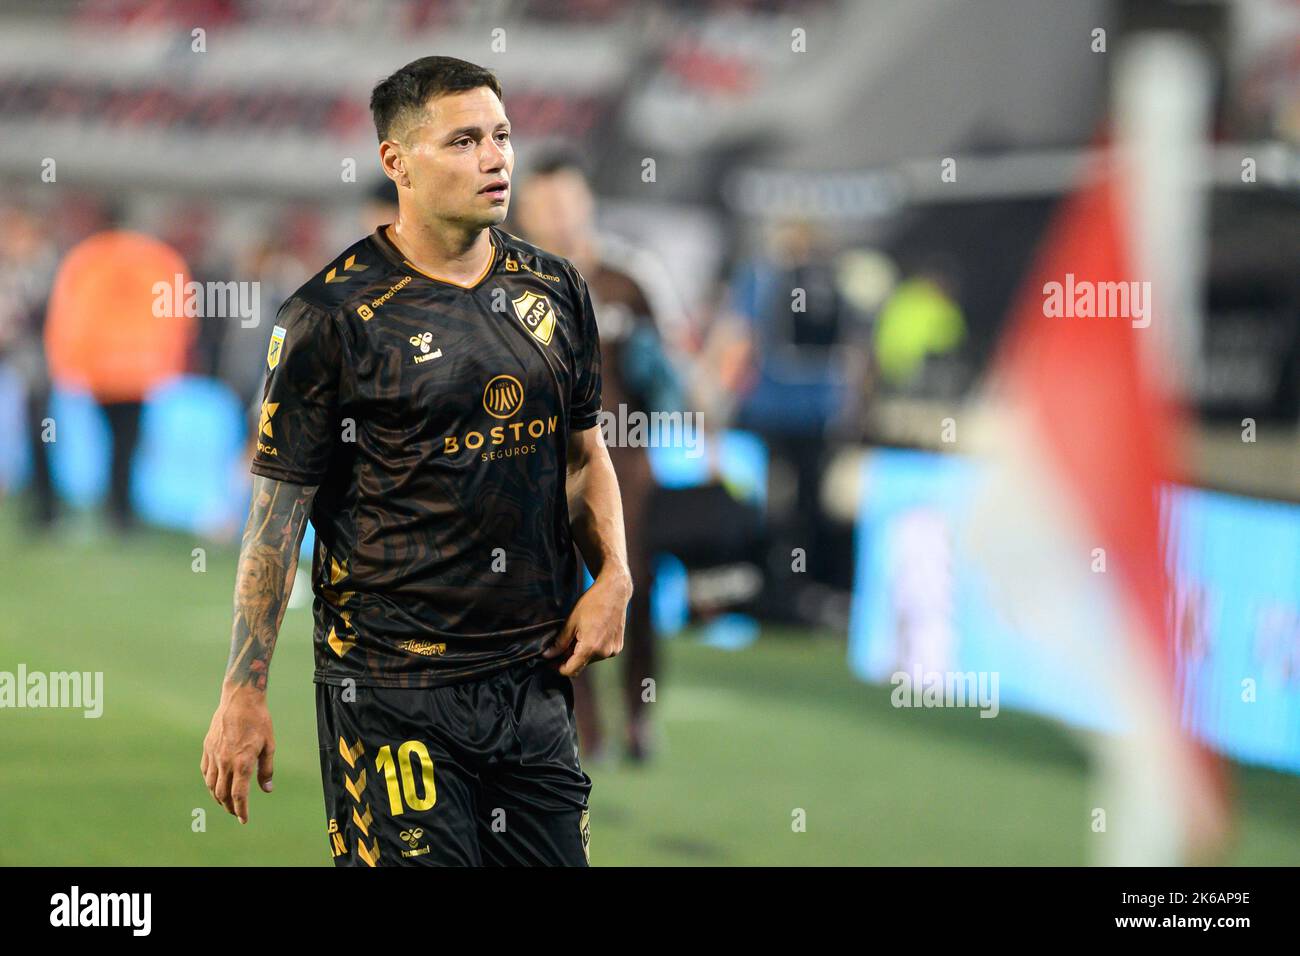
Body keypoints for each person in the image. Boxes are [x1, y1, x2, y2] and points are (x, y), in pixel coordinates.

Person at [200, 56, 632, 867]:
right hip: (391, 695)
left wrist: (613, 576)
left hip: (532, 685)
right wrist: (244, 689)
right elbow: (274, 523)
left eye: (501, 136)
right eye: (464, 140)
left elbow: (582, 458)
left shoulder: (558, 291)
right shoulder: (330, 318)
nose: (496, 158)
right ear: (396, 161)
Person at [513, 152, 683, 762]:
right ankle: (585, 728)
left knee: (631, 588)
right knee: (557, 598)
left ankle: (640, 717)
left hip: (626, 464)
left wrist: (662, 381)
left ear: (586, 201)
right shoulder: (510, 284)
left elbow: (671, 377)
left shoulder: (628, 280)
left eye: (564, 200)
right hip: (540, 467)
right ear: (525, 210)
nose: (555, 214)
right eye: (542, 203)